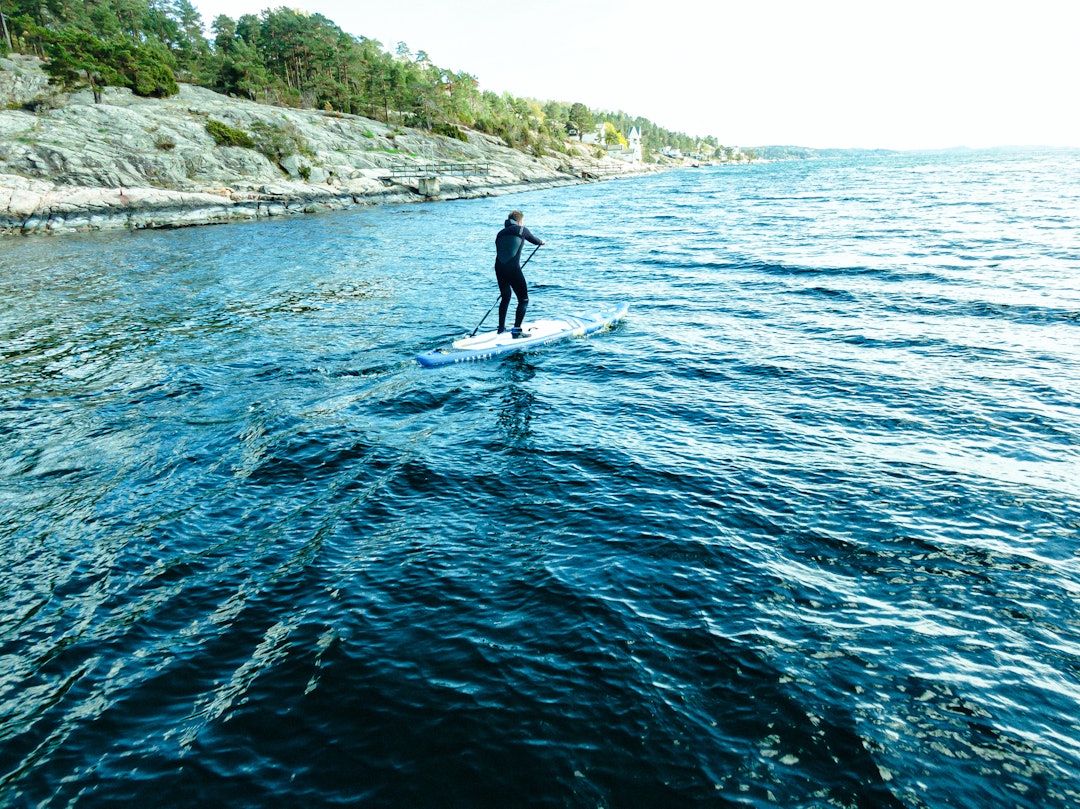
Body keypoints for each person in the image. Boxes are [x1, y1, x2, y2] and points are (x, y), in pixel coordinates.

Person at [494, 210, 545, 337]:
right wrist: (542, 242)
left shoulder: (499, 233)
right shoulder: (522, 230)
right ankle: (516, 330)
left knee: (505, 296)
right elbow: (535, 240)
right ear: (520, 221)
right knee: (523, 300)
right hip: (513, 268)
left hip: (499, 268)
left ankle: (501, 329)